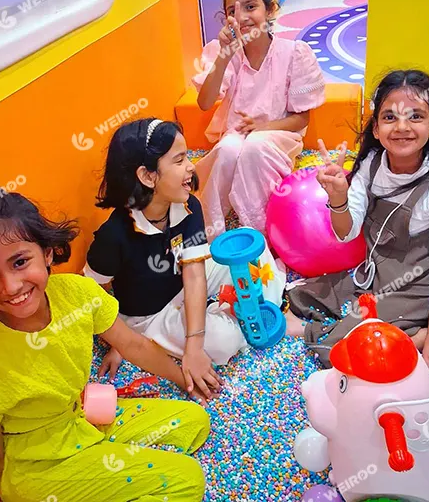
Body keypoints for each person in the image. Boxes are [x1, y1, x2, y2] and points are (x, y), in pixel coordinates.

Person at [0, 186, 211, 502]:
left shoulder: (77, 293)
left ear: (47, 252)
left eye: (19, 262)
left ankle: (100, 460)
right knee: (187, 480)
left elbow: (133, 345)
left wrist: (185, 378)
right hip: (38, 467)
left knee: (194, 422)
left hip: (79, 418)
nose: (10, 286)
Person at [283, 70, 429, 379]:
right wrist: (338, 197)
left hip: (411, 292)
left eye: (415, 116)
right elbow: (346, 233)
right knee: (298, 296)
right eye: (390, 117)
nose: (402, 127)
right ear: (376, 128)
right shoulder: (371, 163)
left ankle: (424, 334)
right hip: (369, 278)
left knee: (344, 352)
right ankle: (392, 330)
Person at [85, 118, 287, 383]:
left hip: (183, 283)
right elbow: (92, 292)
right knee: (223, 341)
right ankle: (231, 315)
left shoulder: (189, 206)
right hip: (150, 316)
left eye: (187, 156)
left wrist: (193, 342)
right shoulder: (114, 235)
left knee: (253, 251)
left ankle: (257, 310)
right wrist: (121, 341)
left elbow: (194, 275)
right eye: (179, 160)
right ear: (147, 176)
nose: (191, 166)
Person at [193, 0, 325, 237]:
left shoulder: (293, 53)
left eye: (250, 6)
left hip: (278, 136)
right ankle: (209, 231)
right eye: (232, 11)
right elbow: (205, 103)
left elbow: (301, 119)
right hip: (237, 135)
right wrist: (224, 55)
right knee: (228, 150)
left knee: (254, 147)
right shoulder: (226, 53)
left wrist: (262, 127)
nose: (241, 17)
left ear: (270, 9)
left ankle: (261, 233)